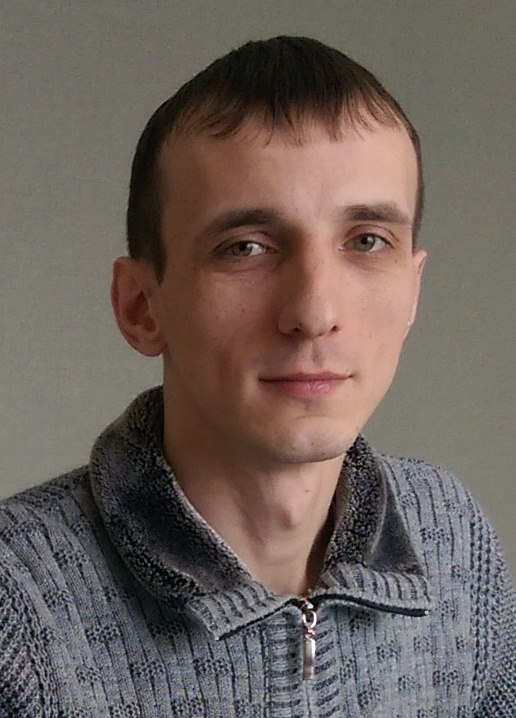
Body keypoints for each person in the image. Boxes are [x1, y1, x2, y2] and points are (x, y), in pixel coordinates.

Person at [0, 36, 513, 718]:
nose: (314, 313)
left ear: (413, 290)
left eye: (367, 241)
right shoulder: (17, 604)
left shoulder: (451, 536)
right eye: (246, 247)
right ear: (141, 306)